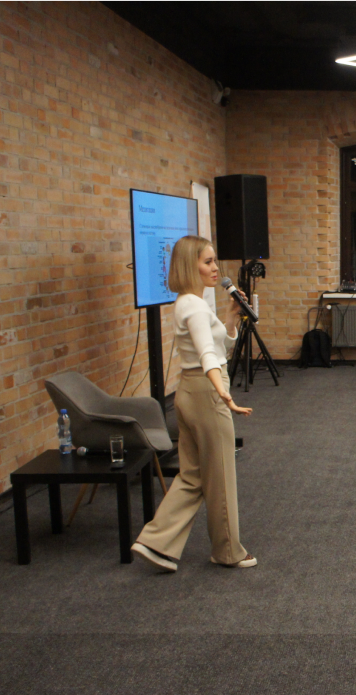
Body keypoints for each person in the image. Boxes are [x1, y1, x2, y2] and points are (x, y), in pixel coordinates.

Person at [131, 236, 256, 573]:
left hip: (190, 391)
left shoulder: (187, 302)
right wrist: (225, 395)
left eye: (215, 262)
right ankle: (228, 551)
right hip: (206, 391)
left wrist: (231, 317)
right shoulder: (196, 307)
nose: (215, 269)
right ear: (190, 265)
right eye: (207, 262)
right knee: (221, 476)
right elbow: (207, 356)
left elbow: (219, 347)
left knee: (193, 476)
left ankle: (155, 541)